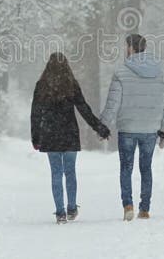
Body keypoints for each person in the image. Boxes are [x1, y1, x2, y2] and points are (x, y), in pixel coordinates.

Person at [31, 52, 111, 224]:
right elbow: (84, 109)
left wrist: (35, 137)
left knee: (56, 174)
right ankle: (72, 208)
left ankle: (60, 212)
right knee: (70, 172)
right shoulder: (71, 85)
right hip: (69, 134)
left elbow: (35, 114)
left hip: (50, 135)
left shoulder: (42, 85)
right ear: (66, 66)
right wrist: (99, 128)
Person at [100, 34, 164, 221]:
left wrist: (103, 125)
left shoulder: (122, 71)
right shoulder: (161, 73)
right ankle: (145, 209)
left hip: (128, 127)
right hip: (150, 128)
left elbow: (112, 103)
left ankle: (128, 206)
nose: (125, 50)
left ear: (131, 48)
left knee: (126, 167)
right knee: (146, 168)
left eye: (126, 47)